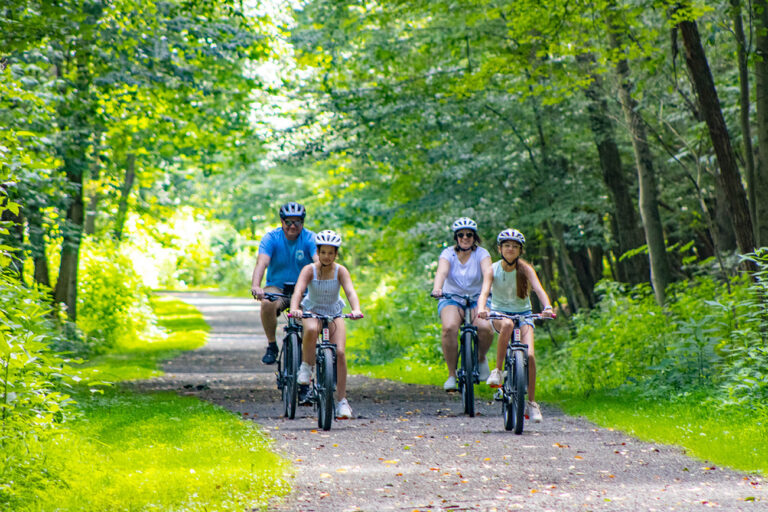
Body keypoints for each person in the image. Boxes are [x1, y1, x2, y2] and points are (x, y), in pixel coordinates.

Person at [477, 228, 554, 423]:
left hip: (524, 316)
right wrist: (481, 308)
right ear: (500, 248)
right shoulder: (492, 269)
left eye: (515, 246)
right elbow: (484, 293)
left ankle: (532, 403)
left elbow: (539, 289)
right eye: (507, 246)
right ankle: (497, 371)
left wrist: (547, 307)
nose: (510, 249)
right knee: (508, 324)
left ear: (520, 250)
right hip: (498, 315)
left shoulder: (526, 269)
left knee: (529, 355)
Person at [290, 230, 363, 420]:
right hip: (312, 310)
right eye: (323, 252)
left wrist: (356, 309)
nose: (327, 257)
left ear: (336, 254)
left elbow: (350, 292)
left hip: (333, 312)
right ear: (318, 252)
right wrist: (295, 308)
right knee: (312, 329)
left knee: (339, 352)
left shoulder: (341, 270)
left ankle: (341, 401)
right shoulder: (309, 270)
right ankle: (306, 367)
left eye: (331, 253)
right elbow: (298, 291)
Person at [431, 217, 494, 391]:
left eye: (469, 234)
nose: (465, 238)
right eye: (461, 235)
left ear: (475, 237)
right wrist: (437, 288)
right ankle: (452, 374)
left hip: (478, 297)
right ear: (456, 237)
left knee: (485, 327)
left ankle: (481, 358)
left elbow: (487, 273)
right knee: (449, 328)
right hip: (452, 297)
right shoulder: (448, 254)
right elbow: (441, 272)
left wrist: (487, 290)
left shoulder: (482, 254)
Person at [251, 202, 318, 365]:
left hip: (304, 291)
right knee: (267, 303)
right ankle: (272, 345)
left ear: (303, 222)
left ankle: (307, 361)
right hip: (278, 288)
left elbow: (318, 262)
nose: (292, 226)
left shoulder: (310, 238)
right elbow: (262, 263)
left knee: (311, 324)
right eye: (288, 222)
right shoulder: (271, 238)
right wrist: (256, 286)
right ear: (282, 222)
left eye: (297, 222)